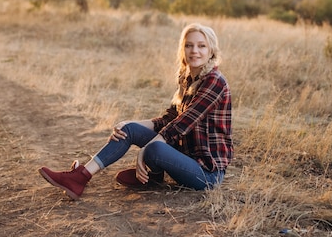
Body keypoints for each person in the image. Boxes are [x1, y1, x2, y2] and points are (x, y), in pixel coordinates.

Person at [39, 23, 233, 200]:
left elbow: (180, 126)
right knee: (130, 129)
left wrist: (143, 153)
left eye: (201, 46)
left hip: (206, 173)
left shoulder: (214, 81)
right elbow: (170, 119)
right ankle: (81, 177)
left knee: (155, 148)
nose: (194, 51)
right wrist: (129, 126)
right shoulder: (187, 77)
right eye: (189, 45)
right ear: (182, 49)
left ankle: (151, 174)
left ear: (211, 51)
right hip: (184, 156)